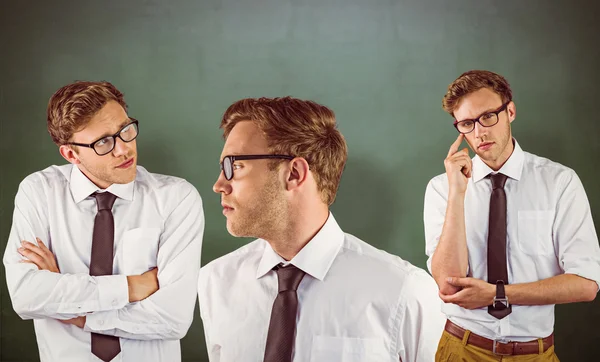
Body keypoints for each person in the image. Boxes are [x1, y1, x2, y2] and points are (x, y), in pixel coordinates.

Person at [198, 96, 445, 362]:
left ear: (294, 173)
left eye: (234, 166)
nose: (219, 184)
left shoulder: (405, 292)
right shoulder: (216, 282)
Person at [3, 81, 204, 362]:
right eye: (103, 142)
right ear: (71, 154)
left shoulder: (176, 198)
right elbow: (26, 295)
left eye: (126, 130)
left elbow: (173, 319)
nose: (123, 149)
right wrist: (131, 287)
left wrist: (73, 309)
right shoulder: (40, 192)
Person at [424, 70, 600, 361]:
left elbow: (586, 282)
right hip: (462, 349)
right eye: (467, 124)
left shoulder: (559, 182)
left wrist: (498, 294)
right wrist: (457, 194)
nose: (479, 132)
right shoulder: (442, 188)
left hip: (535, 353)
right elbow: (448, 284)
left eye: (488, 116)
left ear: (510, 112)